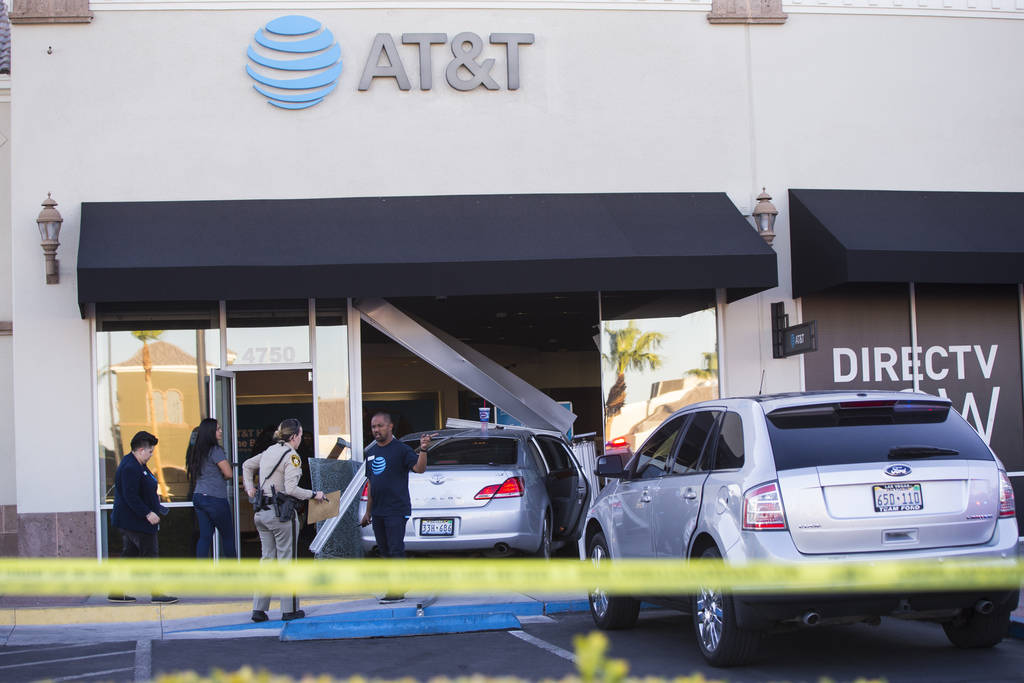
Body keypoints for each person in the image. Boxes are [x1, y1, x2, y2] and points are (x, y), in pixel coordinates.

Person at [242, 418, 326, 622]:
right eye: (300, 436)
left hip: (262, 512)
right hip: (281, 514)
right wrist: (315, 494)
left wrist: (249, 488)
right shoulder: (292, 457)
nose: (300, 440)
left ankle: (259, 610)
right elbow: (291, 489)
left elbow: (246, 465)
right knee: (287, 561)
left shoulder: (270, 450)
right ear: (295, 436)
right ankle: (289, 610)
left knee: (267, 561)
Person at [358, 412, 430, 603]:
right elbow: (372, 483)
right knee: (384, 550)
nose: (376, 430)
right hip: (378, 510)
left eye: (380, 426)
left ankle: (396, 589)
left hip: (396, 509)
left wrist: (423, 450)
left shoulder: (401, 449)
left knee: (395, 548)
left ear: (390, 427)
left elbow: (419, 469)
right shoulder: (371, 453)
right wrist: (367, 511)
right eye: (373, 427)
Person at [108, 430, 178, 604]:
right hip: (137, 521)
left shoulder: (136, 464)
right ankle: (157, 594)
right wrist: (148, 513)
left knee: (129, 554)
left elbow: (142, 488)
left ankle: (116, 591)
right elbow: (130, 495)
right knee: (150, 555)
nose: (151, 455)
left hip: (133, 520)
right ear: (140, 450)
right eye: (150, 451)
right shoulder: (131, 467)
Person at [187, 418, 236, 559]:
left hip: (199, 496)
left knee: (205, 537)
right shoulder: (215, 450)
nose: (220, 431)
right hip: (215, 498)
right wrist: (223, 477)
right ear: (210, 432)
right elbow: (228, 473)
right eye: (218, 429)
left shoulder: (196, 451)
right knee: (227, 536)